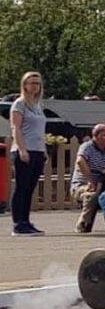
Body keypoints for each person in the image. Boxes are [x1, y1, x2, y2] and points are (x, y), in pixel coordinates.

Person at [9, 72, 46, 236]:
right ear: (24, 85)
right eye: (31, 83)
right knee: (21, 186)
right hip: (24, 149)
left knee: (30, 187)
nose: (35, 86)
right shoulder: (19, 104)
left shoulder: (37, 105)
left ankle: (26, 220)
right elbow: (15, 128)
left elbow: (40, 130)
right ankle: (18, 223)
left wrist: (44, 150)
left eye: (37, 83)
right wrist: (22, 149)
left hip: (37, 149)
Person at [69, 123, 105, 233]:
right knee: (91, 195)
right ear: (100, 136)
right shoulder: (87, 147)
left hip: (103, 182)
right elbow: (80, 161)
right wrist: (90, 180)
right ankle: (83, 224)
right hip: (82, 184)